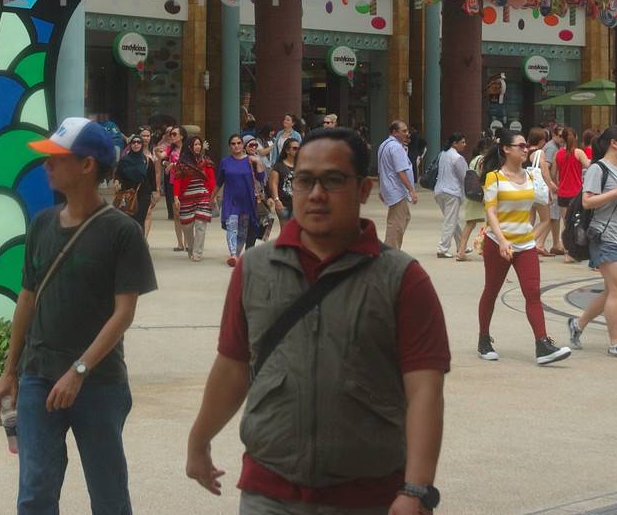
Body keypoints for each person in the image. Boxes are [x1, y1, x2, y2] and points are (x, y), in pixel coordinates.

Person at [185, 128, 449, 513]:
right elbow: (232, 366)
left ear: (363, 189)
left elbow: (425, 390)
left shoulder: (402, 279)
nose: (317, 194)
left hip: (368, 496)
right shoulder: (255, 269)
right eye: (305, 180)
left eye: (334, 180)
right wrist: (198, 441)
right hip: (268, 493)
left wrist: (416, 488)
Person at [0, 116, 158, 514]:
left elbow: (123, 314)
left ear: (87, 165)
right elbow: (27, 299)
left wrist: (78, 371)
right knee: (35, 493)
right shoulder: (43, 224)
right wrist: (10, 369)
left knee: (108, 494)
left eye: (57, 158)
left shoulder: (122, 232)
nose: (47, 164)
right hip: (37, 378)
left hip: (98, 384)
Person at [475, 130, 571, 366]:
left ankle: (542, 344)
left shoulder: (532, 177)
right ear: (506, 149)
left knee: (533, 292)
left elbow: (545, 217)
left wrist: (532, 238)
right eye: (520, 146)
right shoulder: (494, 178)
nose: (526, 149)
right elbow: (490, 212)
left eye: (526, 146)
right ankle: (484, 339)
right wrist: (503, 240)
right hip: (498, 243)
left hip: (525, 245)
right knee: (491, 290)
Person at [567, 125, 617, 360]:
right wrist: (616, 192)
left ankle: (578, 324)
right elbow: (588, 202)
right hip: (604, 235)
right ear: (613, 143)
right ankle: (615, 342)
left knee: (612, 290)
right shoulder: (598, 169)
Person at [216, 134, 260, 266]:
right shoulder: (225, 162)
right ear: (229, 146)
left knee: (242, 230)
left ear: (243, 145)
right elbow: (219, 181)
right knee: (232, 226)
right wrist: (211, 198)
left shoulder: (250, 160)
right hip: (230, 200)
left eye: (238, 143)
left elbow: (261, 177)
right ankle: (233, 255)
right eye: (233, 143)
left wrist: (258, 162)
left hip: (247, 200)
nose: (236, 146)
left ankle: (237, 253)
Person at [174, 135, 217, 262]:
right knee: (187, 226)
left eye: (199, 144)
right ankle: (191, 248)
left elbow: (212, 179)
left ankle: (198, 253)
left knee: (200, 224)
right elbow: (177, 180)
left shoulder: (206, 161)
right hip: (186, 197)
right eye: (195, 144)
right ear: (189, 147)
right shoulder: (182, 163)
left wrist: (212, 195)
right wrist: (176, 197)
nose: (198, 147)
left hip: (203, 195)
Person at [376, 120, 418, 250]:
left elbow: (380, 170)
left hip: (390, 188)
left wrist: (381, 188)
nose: (407, 134)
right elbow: (400, 171)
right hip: (396, 189)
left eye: (407, 131)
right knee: (397, 222)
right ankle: (390, 250)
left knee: (403, 217)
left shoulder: (384, 145)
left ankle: (390, 248)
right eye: (403, 131)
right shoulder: (395, 147)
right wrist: (411, 190)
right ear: (394, 132)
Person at [550, 127, 586, 260]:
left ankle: (567, 252)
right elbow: (589, 165)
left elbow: (553, 174)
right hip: (577, 194)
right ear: (575, 137)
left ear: (562, 139)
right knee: (578, 223)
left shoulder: (558, 154)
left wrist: (556, 184)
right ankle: (576, 251)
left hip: (563, 193)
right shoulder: (579, 153)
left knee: (567, 224)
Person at [431, 132, 468, 260]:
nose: (465, 144)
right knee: (450, 221)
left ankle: (461, 245)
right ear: (455, 143)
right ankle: (442, 249)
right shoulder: (457, 158)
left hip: (439, 191)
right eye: (462, 142)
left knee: (452, 220)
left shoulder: (443, 154)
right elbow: (464, 176)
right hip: (452, 192)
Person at [524, 127, 559, 256]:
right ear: (541, 140)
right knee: (545, 219)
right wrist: (550, 187)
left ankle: (525, 244)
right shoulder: (539, 153)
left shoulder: (524, 151)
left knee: (530, 219)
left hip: (527, 189)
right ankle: (526, 243)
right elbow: (544, 172)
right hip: (538, 191)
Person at [455, 136, 487, 260]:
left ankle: (461, 251)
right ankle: (484, 249)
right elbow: (483, 177)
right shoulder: (482, 160)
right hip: (480, 195)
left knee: (470, 224)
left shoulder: (473, 160)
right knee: (489, 223)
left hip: (472, 195)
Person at [158, 126, 186, 252]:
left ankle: (188, 241)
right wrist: (155, 151)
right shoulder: (170, 148)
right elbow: (161, 157)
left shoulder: (188, 149)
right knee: (176, 213)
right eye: (170, 134)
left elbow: (192, 163)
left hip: (187, 183)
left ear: (182, 136)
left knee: (187, 213)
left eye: (174, 134)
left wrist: (173, 164)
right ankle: (180, 243)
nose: (171, 136)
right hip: (173, 183)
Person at [268, 137, 298, 237]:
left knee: (296, 230)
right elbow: (274, 184)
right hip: (283, 203)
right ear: (287, 150)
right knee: (285, 230)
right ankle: (285, 250)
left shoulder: (302, 165)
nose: (297, 150)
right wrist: (276, 200)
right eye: (294, 148)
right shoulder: (279, 166)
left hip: (298, 203)